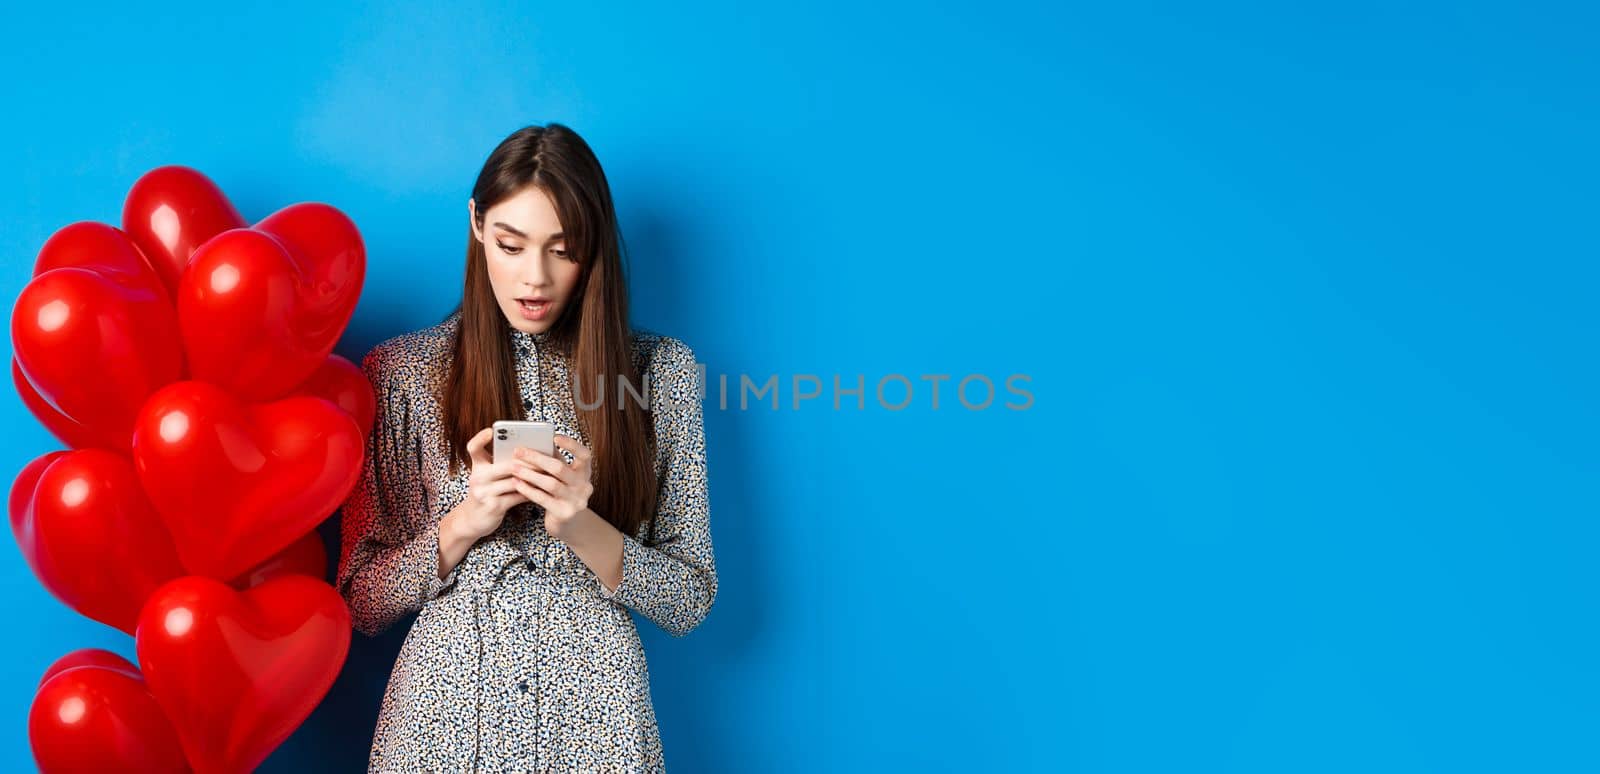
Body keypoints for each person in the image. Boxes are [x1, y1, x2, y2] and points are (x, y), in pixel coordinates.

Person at [335, 123, 717, 772]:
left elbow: (689, 599)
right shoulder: (401, 372)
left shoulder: (659, 375)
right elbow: (359, 602)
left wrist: (583, 527)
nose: (534, 278)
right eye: (512, 245)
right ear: (478, 225)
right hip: (441, 731)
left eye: (563, 250)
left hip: (599, 733)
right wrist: (463, 524)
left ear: (592, 248)